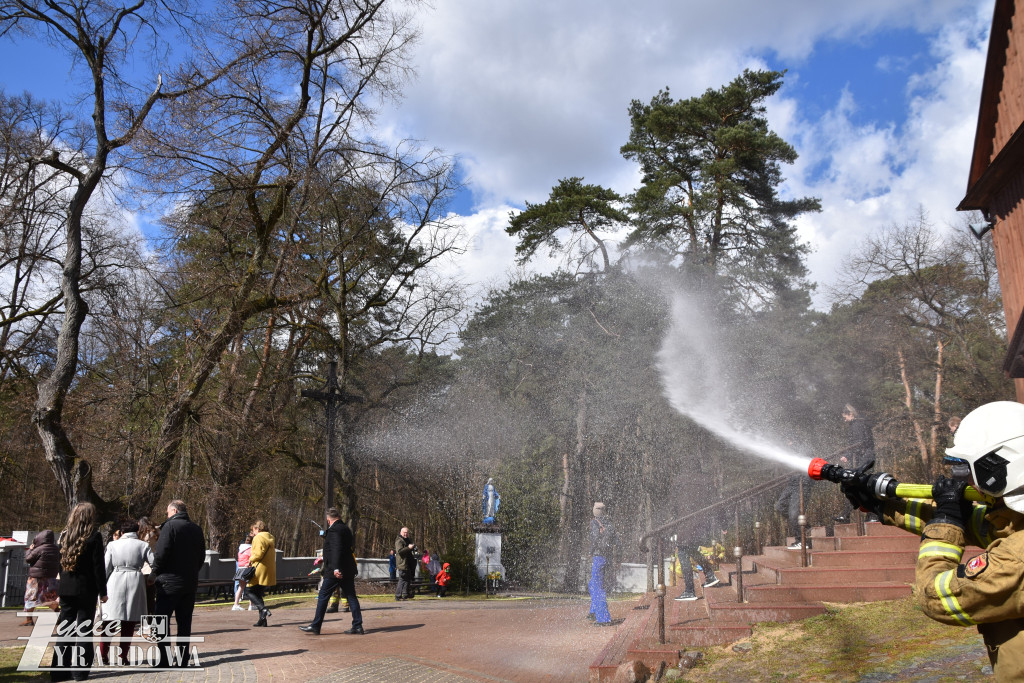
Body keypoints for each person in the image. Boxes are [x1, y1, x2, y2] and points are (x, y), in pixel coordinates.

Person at [838, 401, 1024, 682]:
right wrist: (884, 506)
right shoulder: (1015, 522)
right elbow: (980, 525)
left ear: (998, 471)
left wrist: (946, 521)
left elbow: (936, 597)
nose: (967, 481)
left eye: (969, 471)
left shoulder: (1016, 560)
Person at [50, 502, 107, 682]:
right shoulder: (94, 537)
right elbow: (98, 567)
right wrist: (103, 591)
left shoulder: (65, 535)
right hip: (86, 588)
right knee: (84, 630)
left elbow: (60, 564)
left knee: (65, 630)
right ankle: (80, 672)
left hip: (67, 587)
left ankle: (59, 671)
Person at [151, 499, 206, 668]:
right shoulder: (196, 529)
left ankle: (165, 659)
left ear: (174, 511)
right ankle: (182, 659)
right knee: (184, 623)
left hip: (168, 582)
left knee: (161, 621)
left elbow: (161, 553)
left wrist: (154, 572)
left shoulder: (169, 527)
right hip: (189, 583)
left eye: (167, 512)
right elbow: (201, 556)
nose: (166, 515)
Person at [299, 507, 363, 635]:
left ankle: (316, 625)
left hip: (335, 571)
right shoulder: (346, 529)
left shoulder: (334, 530)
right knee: (351, 596)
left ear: (328, 520)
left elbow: (336, 549)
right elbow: (343, 550)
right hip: (348, 568)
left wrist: (335, 568)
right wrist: (324, 558)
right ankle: (357, 626)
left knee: (323, 596)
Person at [99, 519, 154, 665]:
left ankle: (103, 653)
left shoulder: (113, 545)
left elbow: (106, 567)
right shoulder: (143, 545)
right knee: (129, 622)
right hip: (135, 579)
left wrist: (101, 587)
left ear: (122, 532)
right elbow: (154, 563)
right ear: (136, 531)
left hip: (115, 579)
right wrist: (151, 579)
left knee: (109, 620)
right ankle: (123, 655)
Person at [835, 404, 876, 523]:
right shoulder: (858, 424)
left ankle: (870, 514)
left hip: (864, 459)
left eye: (845, 417)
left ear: (851, 414)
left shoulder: (857, 425)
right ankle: (869, 514)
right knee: (859, 485)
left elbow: (859, 444)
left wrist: (847, 455)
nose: (844, 420)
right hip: (866, 458)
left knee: (855, 484)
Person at [21, 529, 60, 626]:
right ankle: (59, 616)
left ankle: (29, 619)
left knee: (31, 597)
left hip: (36, 577)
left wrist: (30, 550)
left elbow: (28, 559)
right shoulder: (56, 549)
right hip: (51, 577)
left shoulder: (39, 549)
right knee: (51, 597)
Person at [587, 502, 616, 626]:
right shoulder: (609, 524)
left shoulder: (595, 523)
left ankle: (603, 618)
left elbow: (595, 539)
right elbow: (616, 542)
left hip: (599, 557)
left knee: (597, 587)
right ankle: (594, 611)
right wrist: (618, 558)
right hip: (607, 558)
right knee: (593, 584)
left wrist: (590, 552)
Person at [245, 521, 276, 627]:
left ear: (257, 529)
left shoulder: (258, 537)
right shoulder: (270, 537)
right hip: (268, 568)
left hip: (259, 568)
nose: (252, 532)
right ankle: (262, 620)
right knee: (258, 593)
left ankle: (263, 609)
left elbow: (258, 554)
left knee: (248, 591)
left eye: (253, 529)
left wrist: (250, 559)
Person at [775, 475, 806, 550]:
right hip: (791, 483)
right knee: (780, 506)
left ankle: (802, 541)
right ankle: (806, 526)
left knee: (794, 514)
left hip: (802, 482)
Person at [137, 517, 159, 614]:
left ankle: (147, 616)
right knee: (151, 596)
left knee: (146, 596)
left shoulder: (143, 535)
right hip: (154, 565)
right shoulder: (156, 532)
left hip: (145, 567)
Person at [394, 527, 417, 601]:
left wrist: (413, 548)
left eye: (407, 532)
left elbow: (409, 550)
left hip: (408, 563)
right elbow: (400, 551)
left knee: (407, 580)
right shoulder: (399, 540)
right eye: (404, 532)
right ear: (401, 532)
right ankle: (398, 595)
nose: (406, 534)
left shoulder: (407, 540)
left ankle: (405, 594)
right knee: (402, 579)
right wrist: (409, 548)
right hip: (402, 564)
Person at [232, 533, 253, 611]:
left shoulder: (240, 548)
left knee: (240, 587)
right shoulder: (251, 549)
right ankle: (251, 605)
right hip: (248, 569)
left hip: (240, 568)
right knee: (251, 587)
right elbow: (252, 558)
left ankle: (236, 604)